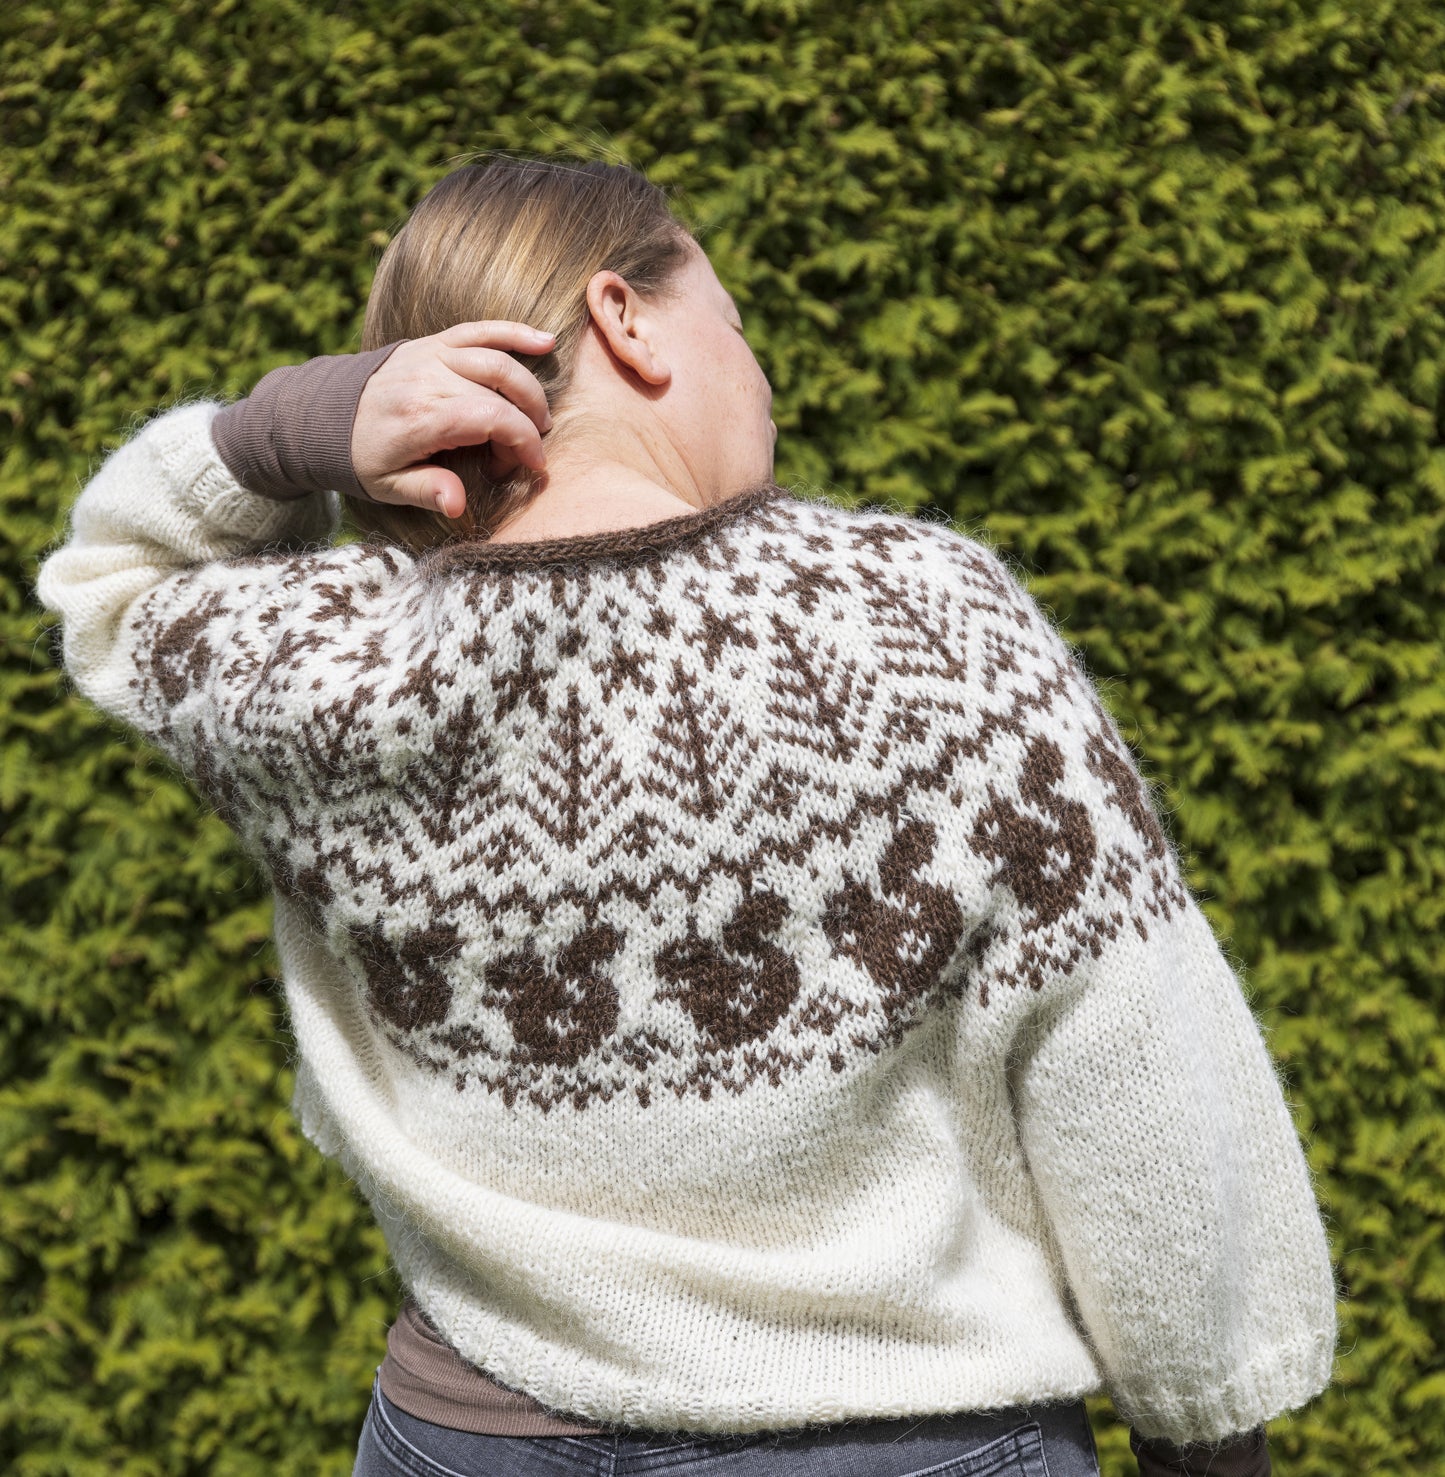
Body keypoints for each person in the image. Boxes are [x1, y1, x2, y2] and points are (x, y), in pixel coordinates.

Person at [34, 155, 1338, 1477]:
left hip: (462, 1441)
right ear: (624, 316)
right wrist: (1203, 1433)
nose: (758, 372)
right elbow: (1123, 1054)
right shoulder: (917, 627)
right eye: (734, 323)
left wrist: (294, 428)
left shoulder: (340, 669)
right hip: (894, 1442)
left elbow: (112, 581)